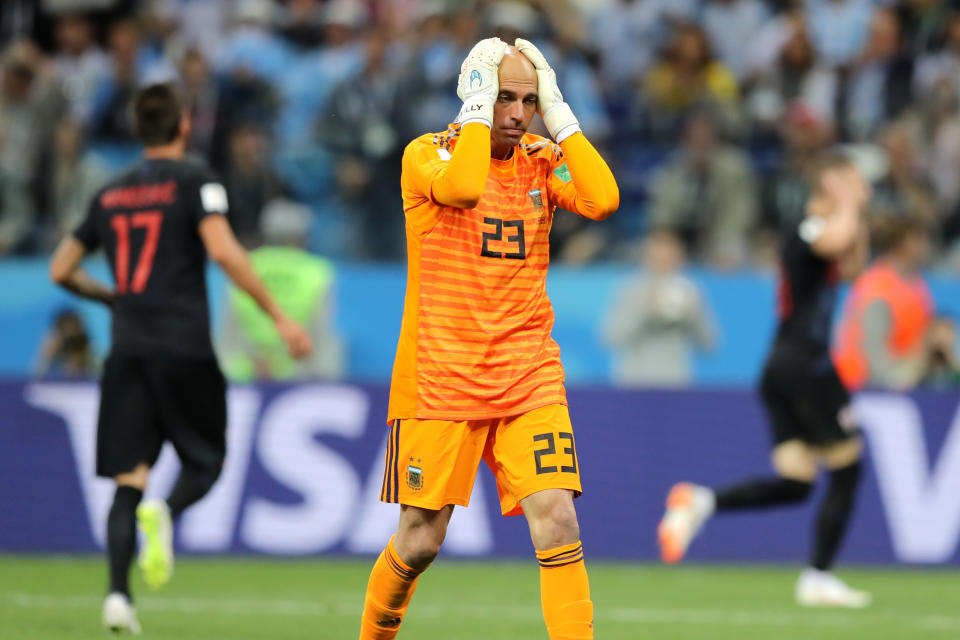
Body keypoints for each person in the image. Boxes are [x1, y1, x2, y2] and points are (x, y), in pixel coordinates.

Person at [358, 38, 619, 639]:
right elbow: (467, 188)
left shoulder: (540, 158)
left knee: (557, 519)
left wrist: (562, 114)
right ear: (476, 93)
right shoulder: (427, 155)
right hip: (440, 380)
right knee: (420, 539)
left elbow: (604, 199)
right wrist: (477, 111)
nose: (518, 111)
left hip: (527, 374)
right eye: (506, 96)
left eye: (529, 99)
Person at [48, 83, 312, 634]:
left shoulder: (111, 193)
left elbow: (60, 268)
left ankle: (118, 598)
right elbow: (221, 249)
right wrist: (277, 315)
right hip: (184, 346)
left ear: (139, 130)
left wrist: (109, 296)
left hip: (127, 350)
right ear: (185, 125)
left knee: (128, 478)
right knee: (207, 461)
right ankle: (165, 514)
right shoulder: (195, 180)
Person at [657, 154, 873, 608]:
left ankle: (701, 502)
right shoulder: (807, 226)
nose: (862, 187)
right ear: (831, 183)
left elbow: (853, 266)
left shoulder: (827, 231)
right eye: (852, 180)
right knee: (848, 467)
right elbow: (835, 238)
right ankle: (818, 577)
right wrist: (847, 199)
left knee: (797, 481)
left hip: (783, 368)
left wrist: (854, 208)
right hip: (805, 367)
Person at [603, 229, 716, 387]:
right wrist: (644, 313)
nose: (663, 260)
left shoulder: (690, 290)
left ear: (679, 256)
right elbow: (610, 338)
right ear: (646, 256)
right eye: (657, 254)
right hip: (634, 380)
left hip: (676, 381)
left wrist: (692, 316)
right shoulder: (630, 289)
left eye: (669, 255)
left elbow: (710, 344)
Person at [834, 216, 933, 390]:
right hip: (863, 384)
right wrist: (897, 380)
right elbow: (871, 348)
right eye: (919, 240)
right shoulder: (879, 284)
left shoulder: (915, 282)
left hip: (903, 374)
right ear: (903, 243)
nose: (925, 246)